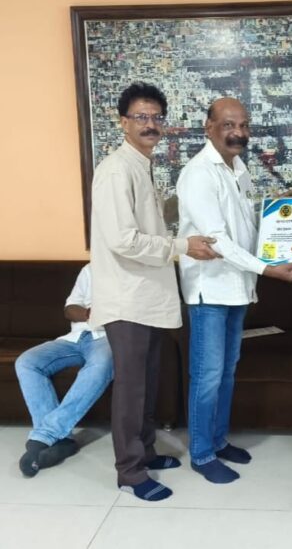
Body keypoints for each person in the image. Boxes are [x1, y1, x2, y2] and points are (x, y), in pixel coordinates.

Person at [90, 82, 218, 502]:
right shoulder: (116, 170)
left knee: (146, 383)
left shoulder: (142, 166)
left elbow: (147, 225)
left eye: (156, 117)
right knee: (131, 390)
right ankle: (130, 472)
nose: (150, 125)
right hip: (127, 299)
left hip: (147, 297)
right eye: (141, 117)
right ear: (123, 122)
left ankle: (145, 452)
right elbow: (123, 240)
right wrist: (182, 246)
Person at [176, 97, 292, 484]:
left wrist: (291, 217)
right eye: (229, 124)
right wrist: (268, 269)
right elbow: (217, 240)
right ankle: (201, 454)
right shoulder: (199, 174)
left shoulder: (239, 169)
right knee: (207, 375)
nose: (239, 132)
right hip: (210, 290)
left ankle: (218, 440)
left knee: (227, 371)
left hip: (237, 287)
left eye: (244, 125)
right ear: (208, 127)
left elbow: (247, 226)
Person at [15, 264, 113, 477]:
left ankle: (45, 435)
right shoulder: (90, 269)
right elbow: (70, 309)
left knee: (102, 364)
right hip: (75, 338)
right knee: (27, 361)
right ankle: (62, 440)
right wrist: (89, 313)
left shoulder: (134, 269)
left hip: (107, 338)